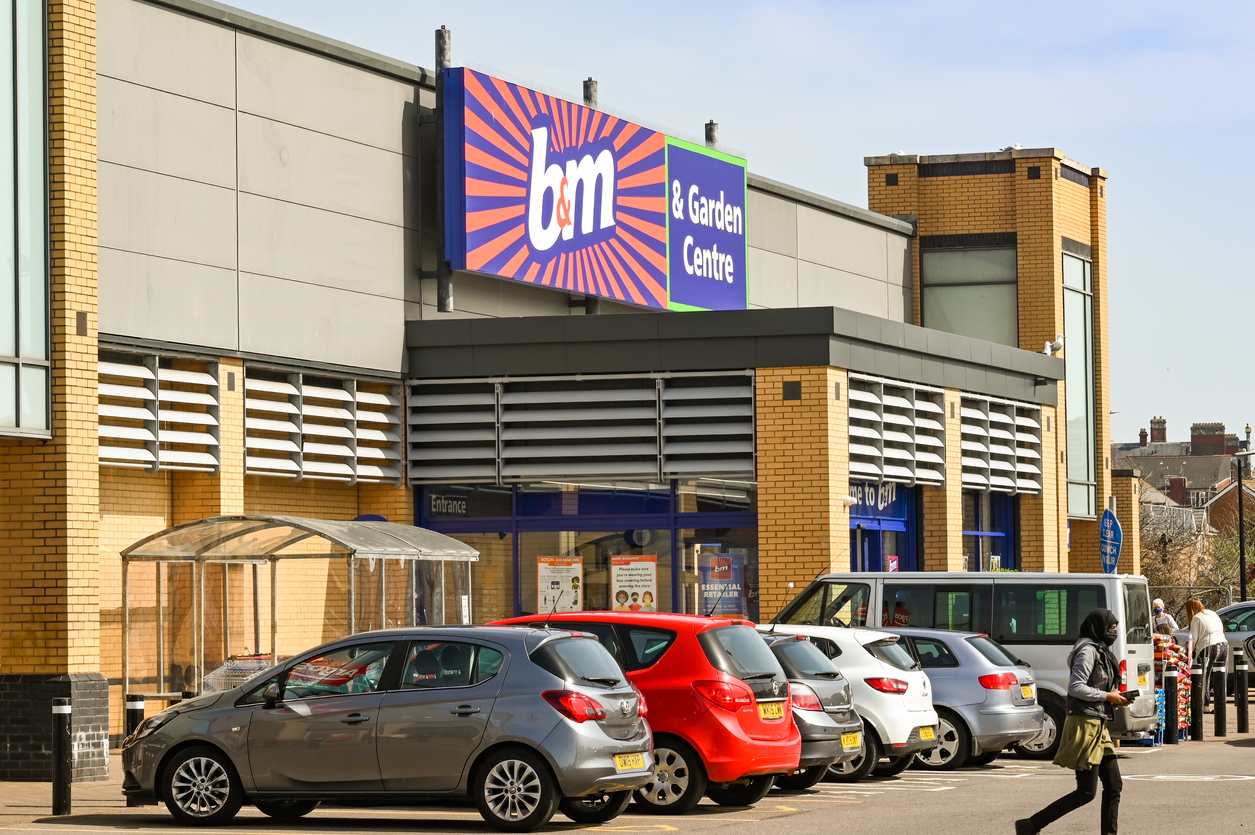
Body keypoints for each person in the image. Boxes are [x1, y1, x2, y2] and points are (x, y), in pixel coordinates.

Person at [1016, 608, 1129, 835]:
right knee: (1086, 792)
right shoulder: (1087, 651)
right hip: (1084, 724)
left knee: (1114, 785)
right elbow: (1076, 687)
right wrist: (1107, 696)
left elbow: (1095, 687)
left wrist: (1114, 698)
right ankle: (1030, 825)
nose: (1113, 633)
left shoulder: (1100, 650)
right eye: (1111, 628)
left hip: (1098, 723)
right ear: (1099, 628)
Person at [1185, 597, 1228, 712]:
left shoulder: (1196, 618)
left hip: (1210, 647)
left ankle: (1205, 706)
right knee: (1220, 677)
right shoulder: (1212, 613)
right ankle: (1221, 706)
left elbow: (1192, 639)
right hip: (1224, 644)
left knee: (1205, 677)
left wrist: (1188, 655)